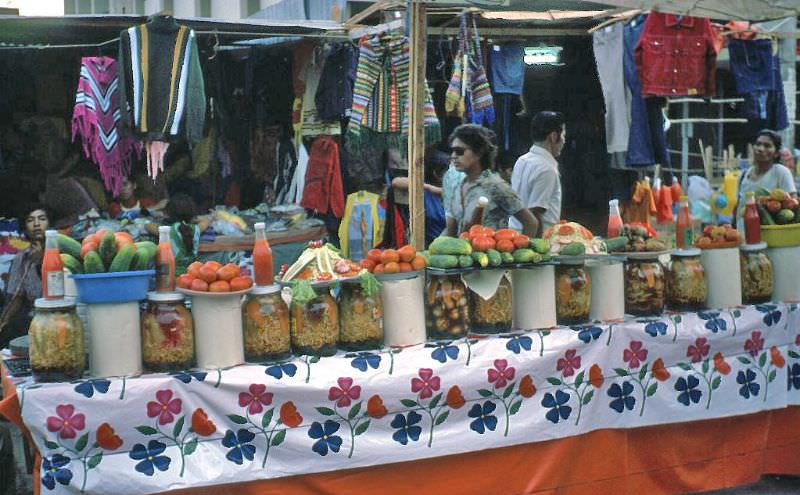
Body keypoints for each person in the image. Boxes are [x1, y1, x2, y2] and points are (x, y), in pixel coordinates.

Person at [444, 124, 537, 237]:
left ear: (479, 152)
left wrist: (522, 245)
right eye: (452, 151)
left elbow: (530, 223)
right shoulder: (458, 186)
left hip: (491, 247)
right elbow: (451, 230)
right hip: (461, 247)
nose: (453, 156)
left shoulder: (495, 185)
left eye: (459, 151)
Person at [0, 204, 49, 348]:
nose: (36, 224)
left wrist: (40, 262)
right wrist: (4, 321)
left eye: (42, 219)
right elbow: (16, 297)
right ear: (25, 228)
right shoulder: (21, 259)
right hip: (33, 317)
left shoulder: (62, 252)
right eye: (30, 220)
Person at [510, 111, 565, 237]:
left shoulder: (522, 160)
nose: (564, 141)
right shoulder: (547, 169)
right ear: (553, 137)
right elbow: (535, 213)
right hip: (536, 238)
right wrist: (537, 246)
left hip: (514, 234)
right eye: (563, 136)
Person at [736, 129, 797, 226]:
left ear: (776, 153)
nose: (760, 149)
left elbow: (793, 206)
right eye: (758, 144)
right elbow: (738, 208)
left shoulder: (780, 172)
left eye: (767, 146)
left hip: (771, 233)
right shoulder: (743, 175)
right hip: (742, 233)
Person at [390, 148, 449, 245]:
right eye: (448, 173)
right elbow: (395, 182)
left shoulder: (453, 188)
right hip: (430, 244)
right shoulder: (424, 191)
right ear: (436, 173)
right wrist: (430, 188)